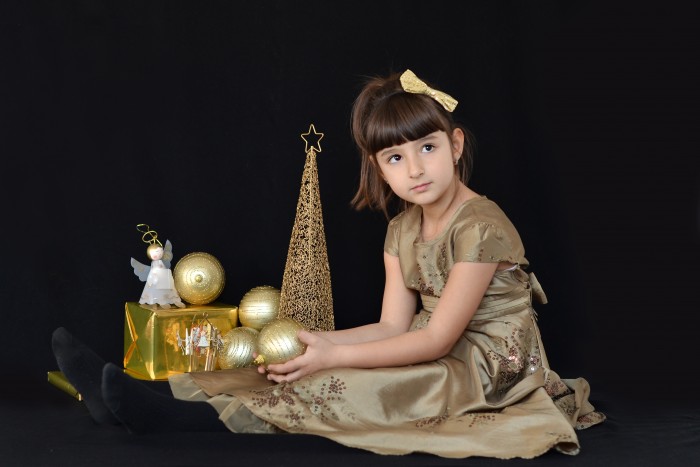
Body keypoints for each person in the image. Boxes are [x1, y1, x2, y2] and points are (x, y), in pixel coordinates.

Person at [52, 69, 604, 459]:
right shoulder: (402, 229)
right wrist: (321, 344)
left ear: (456, 145)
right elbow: (392, 326)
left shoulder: (481, 225)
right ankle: (126, 396)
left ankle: (173, 421)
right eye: (395, 157)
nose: (415, 169)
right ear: (379, 168)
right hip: (431, 342)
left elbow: (438, 340)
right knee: (302, 363)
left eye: (428, 148)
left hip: (488, 364)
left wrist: (335, 354)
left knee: (360, 384)